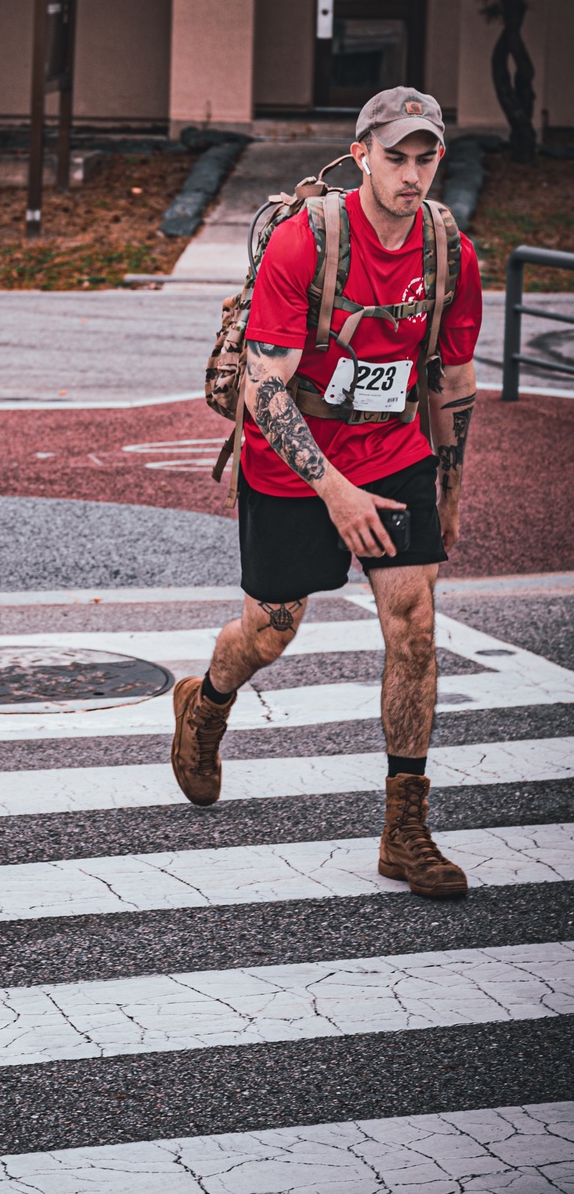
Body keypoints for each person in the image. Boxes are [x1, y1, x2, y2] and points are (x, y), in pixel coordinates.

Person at [172, 87, 482, 898]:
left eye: (426, 158)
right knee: (271, 631)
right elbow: (262, 391)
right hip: (294, 455)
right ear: (361, 155)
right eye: (395, 157)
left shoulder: (451, 251)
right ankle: (205, 703)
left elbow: (451, 377)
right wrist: (336, 492)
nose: (411, 175)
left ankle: (405, 829)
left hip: (395, 448)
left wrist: (448, 481)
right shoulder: (307, 241)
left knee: (413, 625)